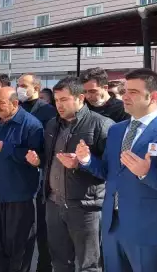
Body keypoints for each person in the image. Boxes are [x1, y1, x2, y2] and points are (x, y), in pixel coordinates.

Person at [77, 68, 157, 272]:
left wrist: (146, 173)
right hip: (113, 226)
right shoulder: (116, 130)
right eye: (125, 90)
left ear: (154, 96)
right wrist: (86, 160)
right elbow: (109, 172)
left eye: (133, 92)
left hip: (148, 230)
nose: (124, 97)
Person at [42, 76, 113, 272]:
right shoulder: (52, 124)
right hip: (54, 204)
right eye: (56, 100)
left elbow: (110, 171)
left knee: (88, 264)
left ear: (80, 98)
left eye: (64, 100)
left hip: (85, 208)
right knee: (59, 260)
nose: (59, 105)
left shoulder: (102, 125)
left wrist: (83, 163)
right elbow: (48, 159)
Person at [0, 87, 43, 272]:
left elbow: (36, 158)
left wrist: (5, 148)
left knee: (18, 247)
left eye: (1, 103)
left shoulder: (31, 125)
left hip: (18, 195)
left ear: (15, 103)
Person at [16, 73, 56, 272]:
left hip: (40, 172)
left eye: (23, 85)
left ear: (37, 87)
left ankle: (44, 265)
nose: (19, 88)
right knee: (23, 227)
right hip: (19, 172)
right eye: (18, 85)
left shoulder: (48, 111)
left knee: (41, 227)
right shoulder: (18, 108)